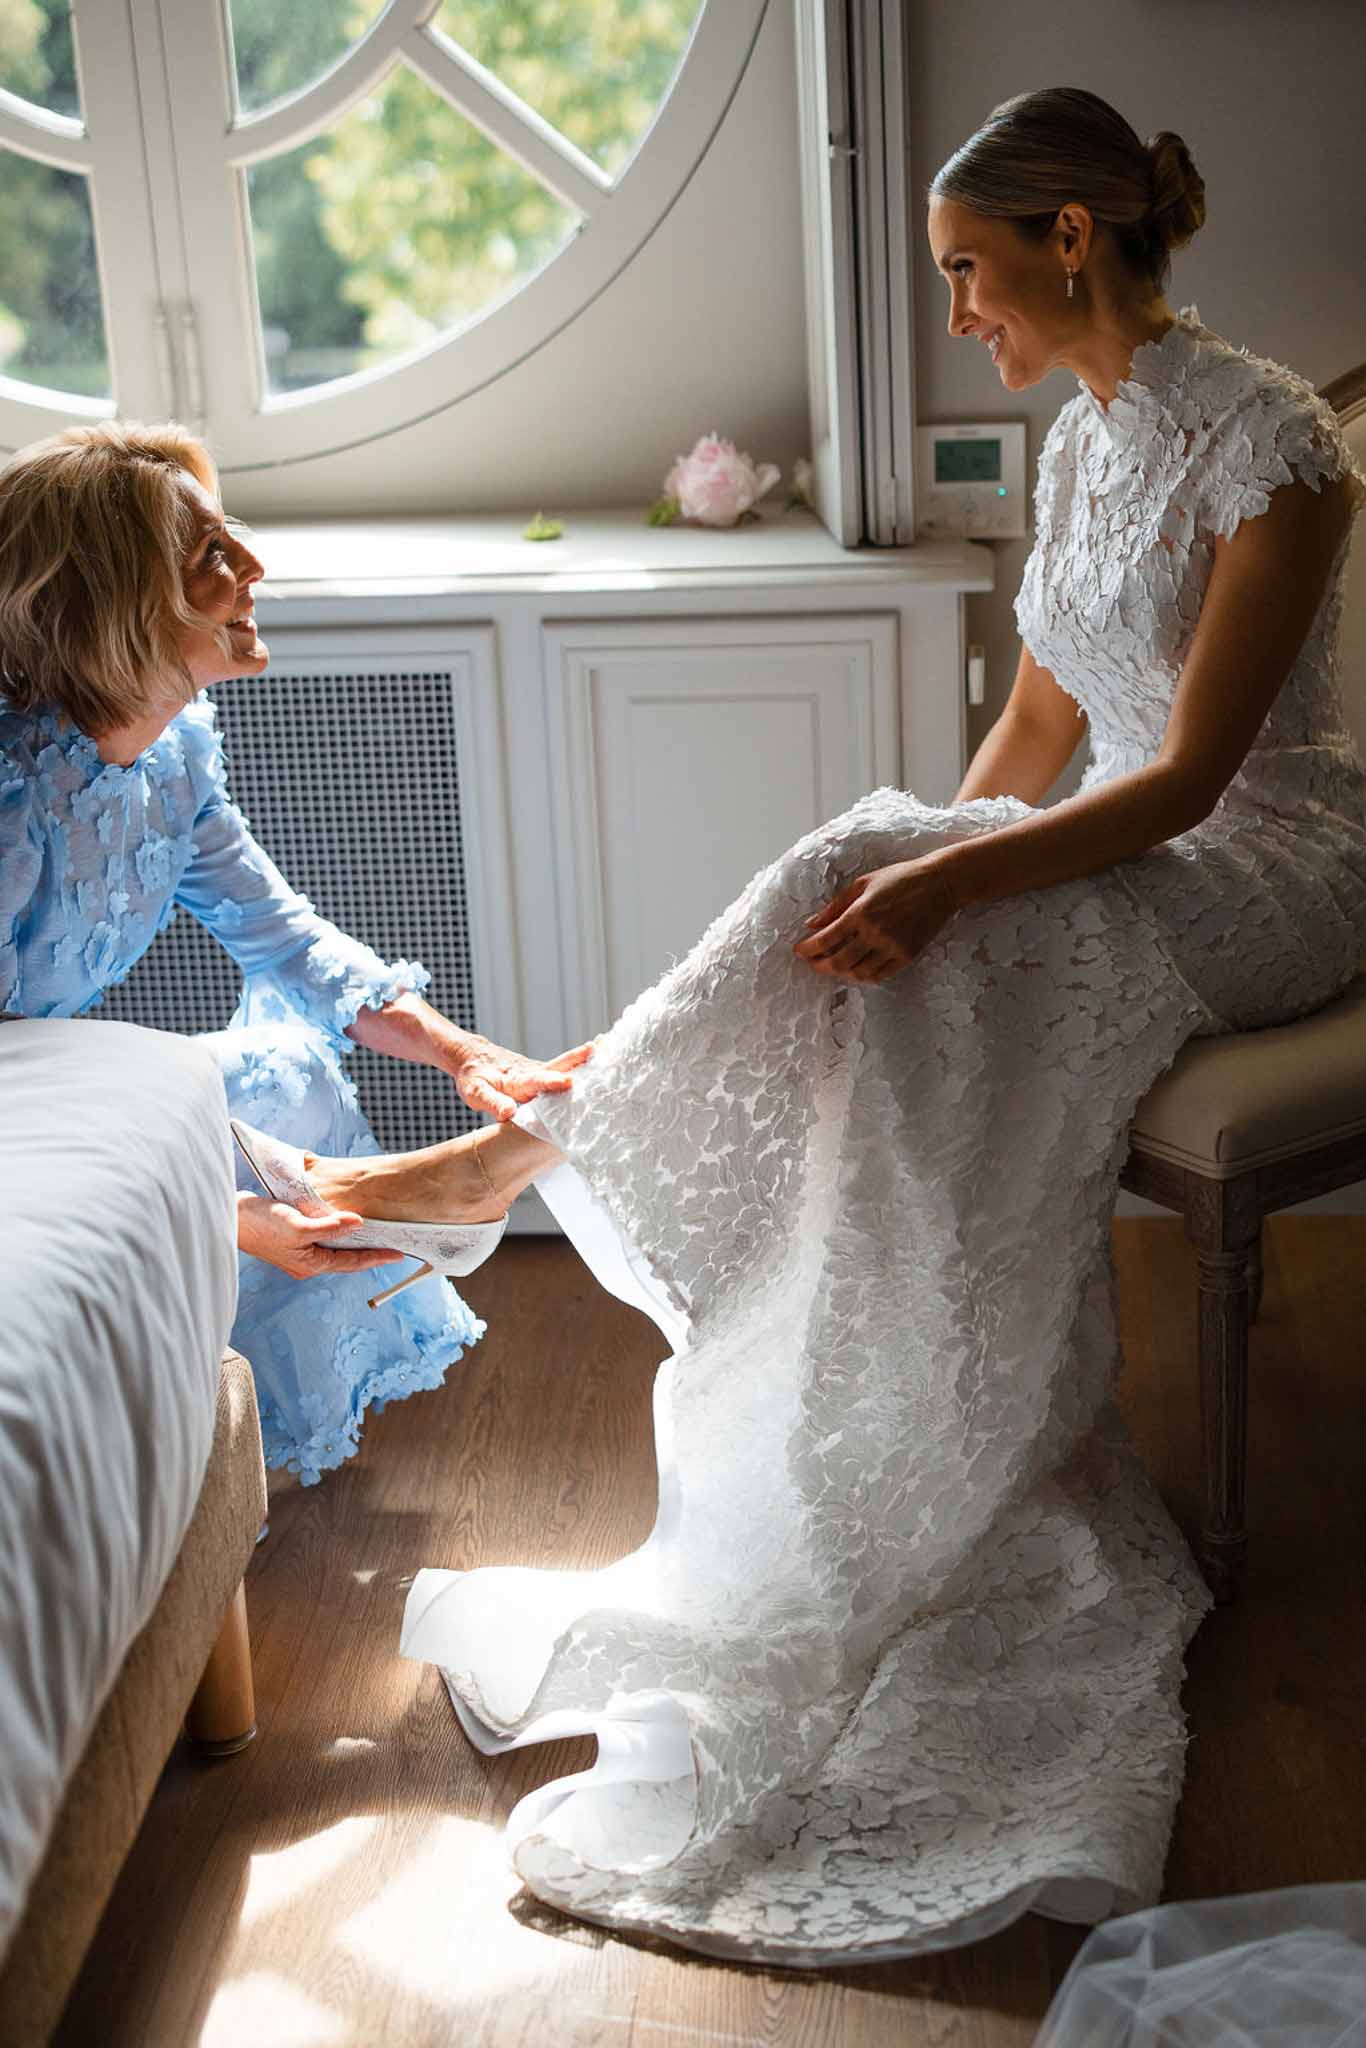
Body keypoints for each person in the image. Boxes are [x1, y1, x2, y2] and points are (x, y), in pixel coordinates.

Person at [235, 86, 1366, 1964]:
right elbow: (1034, 734)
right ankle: (537, 1153)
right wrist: (920, 866)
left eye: (968, 271)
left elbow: (1183, 782)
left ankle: (513, 1146)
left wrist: (945, 887)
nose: (957, 312)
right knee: (870, 877)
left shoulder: (1280, 451)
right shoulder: (1078, 440)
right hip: (1128, 838)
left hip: (1272, 867)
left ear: (1067, 239)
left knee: (905, 893)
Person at [0, 422, 588, 1485]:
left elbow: (285, 938)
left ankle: (273, 1388)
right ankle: (373, 1188)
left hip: (55, 1080)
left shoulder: (172, 756)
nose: (255, 567)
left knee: (287, 1071)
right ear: (118, 602)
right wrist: (223, 1215)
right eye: (212, 554)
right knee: (196, 1110)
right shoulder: (11, 796)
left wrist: (461, 1053)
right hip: (23, 1111)